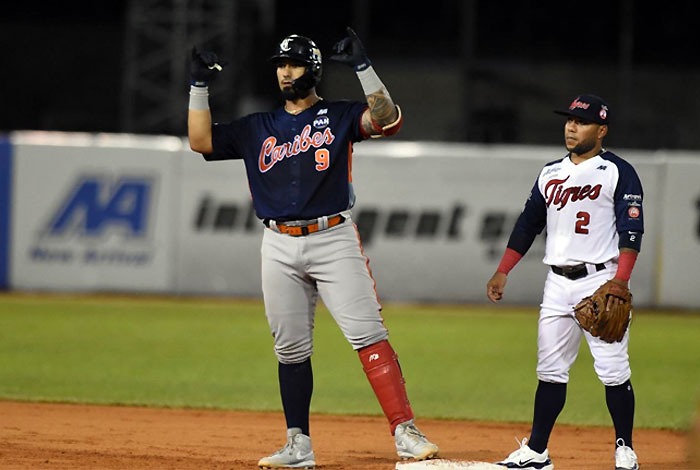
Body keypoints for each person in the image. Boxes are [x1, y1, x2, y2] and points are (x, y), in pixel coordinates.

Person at [187, 28, 439, 469]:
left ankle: (405, 432)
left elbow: (387, 120)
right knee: (290, 350)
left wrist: (364, 68)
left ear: (314, 69)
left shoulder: (339, 117)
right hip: (278, 243)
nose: (286, 72)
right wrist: (198, 85)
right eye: (281, 65)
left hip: (332, 237)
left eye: (295, 63)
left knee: (368, 335)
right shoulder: (257, 127)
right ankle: (297, 444)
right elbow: (201, 141)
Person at [486, 94, 643, 470]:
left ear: (601, 130)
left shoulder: (618, 171)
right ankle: (537, 451)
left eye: (582, 121)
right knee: (550, 370)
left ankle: (625, 448)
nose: (572, 126)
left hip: (600, 280)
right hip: (556, 283)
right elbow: (528, 224)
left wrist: (620, 282)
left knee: (613, 369)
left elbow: (632, 230)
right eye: (569, 120)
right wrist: (503, 269)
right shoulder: (549, 172)